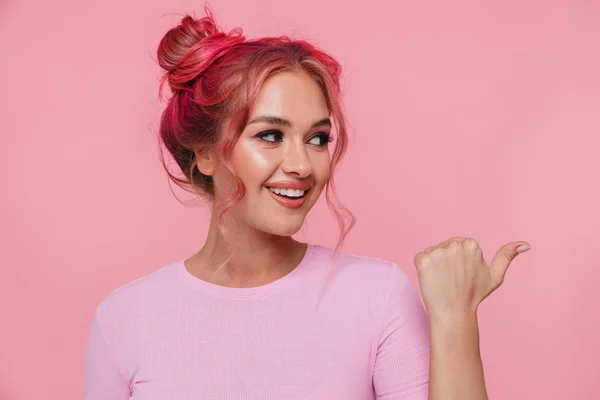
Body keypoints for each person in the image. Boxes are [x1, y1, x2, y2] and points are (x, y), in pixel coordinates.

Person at [84, 6, 531, 400]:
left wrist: (455, 318)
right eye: (270, 135)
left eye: (317, 138)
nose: (302, 164)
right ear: (203, 152)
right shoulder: (125, 318)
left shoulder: (377, 296)